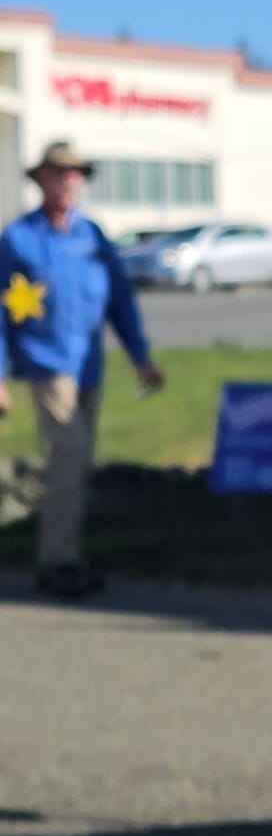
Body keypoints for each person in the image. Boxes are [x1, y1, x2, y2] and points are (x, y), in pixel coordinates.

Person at [0, 141, 164, 598]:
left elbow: (120, 302)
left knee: (76, 463)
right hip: (47, 362)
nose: (68, 182)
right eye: (59, 174)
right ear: (41, 180)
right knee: (68, 457)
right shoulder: (19, 239)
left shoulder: (92, 237)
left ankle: (67, 556)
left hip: (88, 363)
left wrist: (140, 356)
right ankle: (57, 563)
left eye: (75, 175)